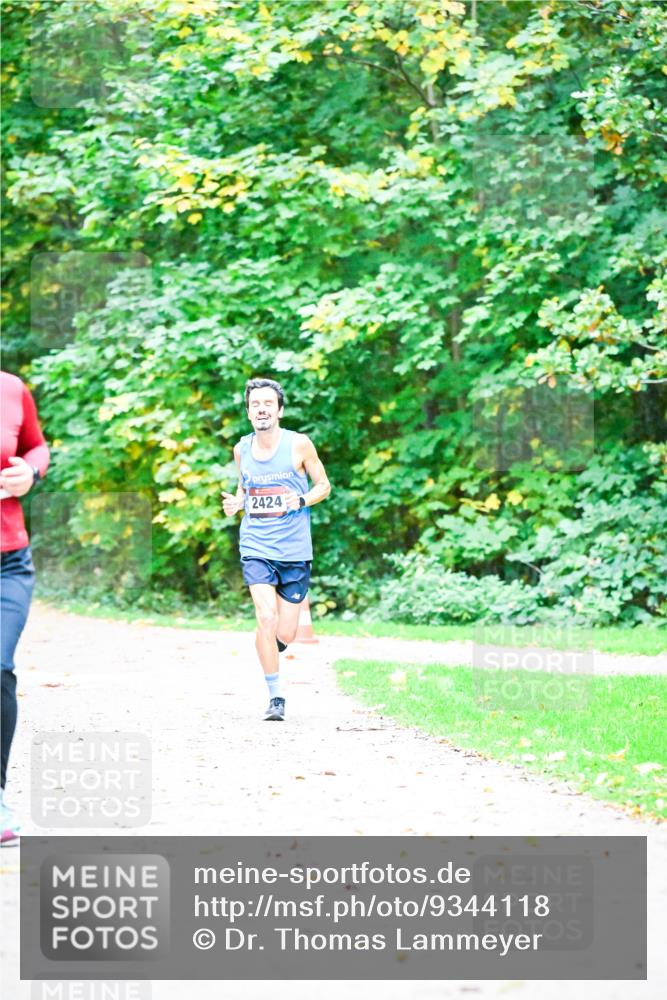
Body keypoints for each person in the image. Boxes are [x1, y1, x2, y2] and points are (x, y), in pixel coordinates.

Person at [222, 378, 330, 721]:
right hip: (256, 543)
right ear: (249, 411)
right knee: (265, 618)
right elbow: (245, 487)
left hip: (295, 550)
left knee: (286, 632)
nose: (262, 409)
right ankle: (275, 697)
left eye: (268, 403)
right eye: (255, 404)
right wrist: (237, 502)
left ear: (279, 410)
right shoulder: (242, 449)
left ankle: (269, 644)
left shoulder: (299, 445)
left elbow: (324, 486)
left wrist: (299, 499)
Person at [0, 370, 50, 845]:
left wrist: (29, 472)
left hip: (8, 562)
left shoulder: (11, 389)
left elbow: (37, 446)